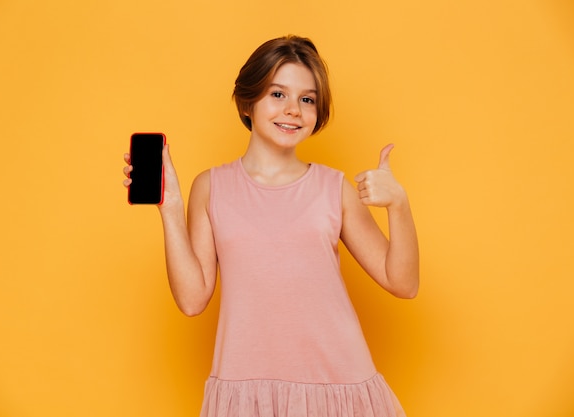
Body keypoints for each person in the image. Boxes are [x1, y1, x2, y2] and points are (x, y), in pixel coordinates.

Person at [123, 35, 419, 417]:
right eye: (278, 94)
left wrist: (399, 204)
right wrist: (169, 207)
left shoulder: (334, 188)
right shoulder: (210, 187)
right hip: (247, 396)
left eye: (307, 99)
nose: (293, 110)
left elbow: (404, 283)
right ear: (248, 101)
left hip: (337, 386)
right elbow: (193, 300)